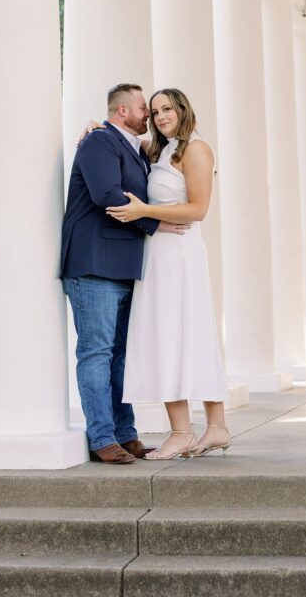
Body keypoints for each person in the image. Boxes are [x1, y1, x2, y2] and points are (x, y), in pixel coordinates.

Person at [61, 83, 189, 465]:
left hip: (123, 266)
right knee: (97, 353)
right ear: (121, 111)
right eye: (141, 108)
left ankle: (125, 433)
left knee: (120, 355)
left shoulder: (135, 149)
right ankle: (102, 438)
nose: (148, 114)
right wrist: (157, 222)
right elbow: (106, 195)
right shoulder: (100, 141)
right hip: (94, 264)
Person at [106, 88, 230, 459]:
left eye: (166, 109)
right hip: (158, 255)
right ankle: (215, 429)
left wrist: (145, 211)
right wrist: (95, 126)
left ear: (182, 109)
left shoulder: (196, 148)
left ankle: (183, 432)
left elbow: (197, 209)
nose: (160, 116)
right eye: (154, 110)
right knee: (169, 335)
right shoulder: (158, 150)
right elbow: (119, 136)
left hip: (180, 255)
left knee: (183, 334)